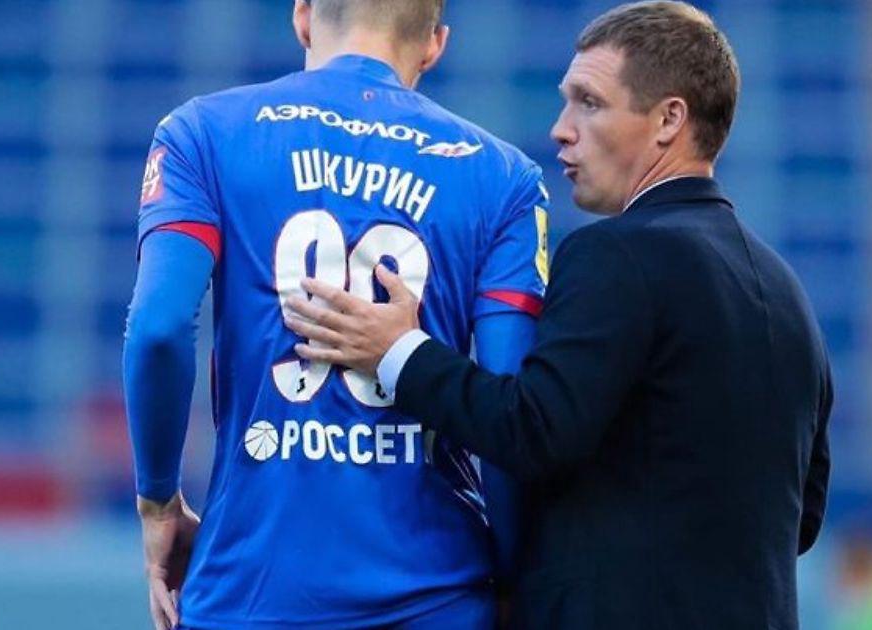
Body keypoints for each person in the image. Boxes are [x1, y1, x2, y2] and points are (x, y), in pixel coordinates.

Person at [284, 1, 833, 627]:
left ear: (668, 120)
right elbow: (803, 515)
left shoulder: (619, 254)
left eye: (588, 103)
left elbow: (534, 431)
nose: (560, 130)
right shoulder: (786, 290)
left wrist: (400, 352)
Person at [122, 0, 550, 628]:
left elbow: (158, 330)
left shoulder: (201, 132)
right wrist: (513, 575)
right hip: (437, 595)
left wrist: (158, 500)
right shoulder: (506, 177)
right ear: (435, 44)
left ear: (302, 15)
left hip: (250, 593)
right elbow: (511, 400)